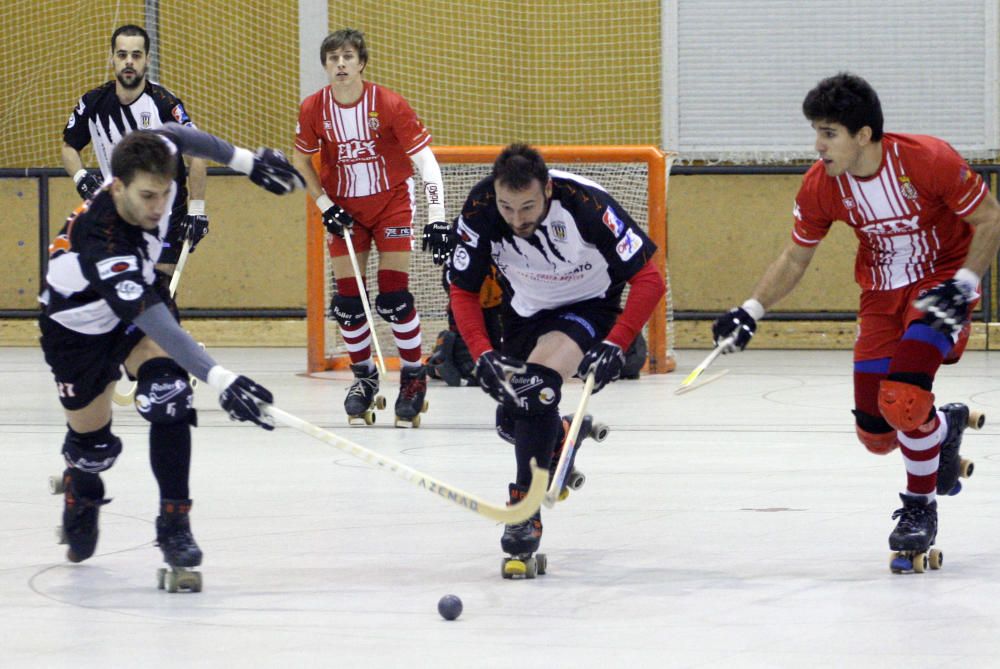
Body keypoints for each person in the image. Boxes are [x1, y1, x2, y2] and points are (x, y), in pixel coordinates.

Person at [711, 73, 1000, 570]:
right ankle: (943, 425)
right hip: (881, 293)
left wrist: (967, 283)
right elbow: (796, 257)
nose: (818, 144)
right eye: (816, 132)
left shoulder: (928, 161)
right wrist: (750, 309)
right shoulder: (821, 185)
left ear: (863, 135)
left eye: (828, 133)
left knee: (905, 398)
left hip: (942, 283)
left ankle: (919, 509)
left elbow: (991, 218)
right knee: (876, 433)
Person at [39, 122, 304, 587]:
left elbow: (179, 134)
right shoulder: (102, 240)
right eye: (146, 197)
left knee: (170, 398)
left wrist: (246, 161)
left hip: (135, 301)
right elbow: (152, 319)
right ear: (117, 186)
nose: (158, 207)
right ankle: (81, 488)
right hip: (75, 330)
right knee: (93, 451)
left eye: (164, 195)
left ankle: (174, 525)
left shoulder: (154, 158)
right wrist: (221, 378)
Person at [447, 144, 665, 575]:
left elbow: (649, 278)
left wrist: (617, 342)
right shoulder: (480, 208)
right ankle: (563, 434)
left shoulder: (585, 204)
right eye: (507, 208)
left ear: (546, 189)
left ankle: (525, 510)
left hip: (588, 306)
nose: (517, 219)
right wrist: (482, 353)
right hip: (524, 309)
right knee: (514, 421)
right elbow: (463, 290)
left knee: (535, 390)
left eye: (528, 206)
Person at [291, 28, 447, 426]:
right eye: (332, 58)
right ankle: (364, 377)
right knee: (347, 305)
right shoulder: (313, 108)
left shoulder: (389, 104)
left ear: (361, 63)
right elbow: (300, 160)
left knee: (394, 298)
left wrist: (438, 218)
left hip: (391, 203)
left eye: (347, 57)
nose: (340, 64)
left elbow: (426, 161)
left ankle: (414, 375)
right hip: (346, 210)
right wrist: (324, 205)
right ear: (325, 66)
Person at [61, 24, 209, 278]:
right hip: (117, 212)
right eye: (122, 55)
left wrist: (197, 210)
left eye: (136, 55)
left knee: (158, 293)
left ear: (147, 60)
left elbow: (198, 154)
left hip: (164, 213)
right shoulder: (92, 103)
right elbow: (69, 147)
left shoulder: (164, 105)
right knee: (120, 293)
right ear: (112, 59)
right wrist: (81, 177)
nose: (129, 62)